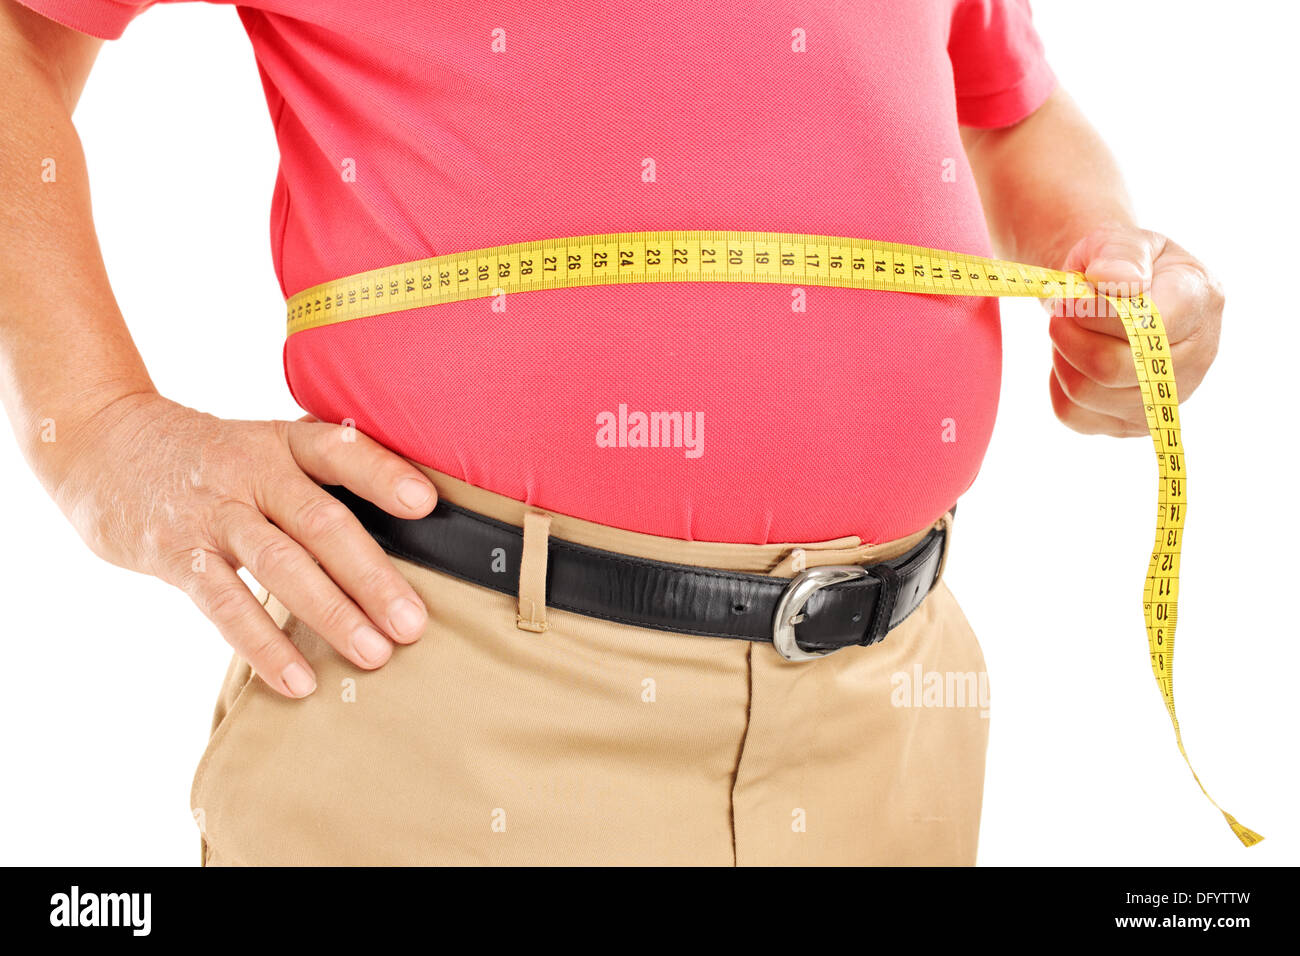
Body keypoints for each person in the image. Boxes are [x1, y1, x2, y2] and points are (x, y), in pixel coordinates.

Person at [0, 0, 1223, 865]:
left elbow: (1009, 113)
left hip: (891, 713)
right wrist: (95, 430)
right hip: (456, 695)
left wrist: (1107, 253)